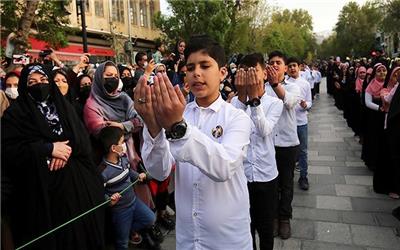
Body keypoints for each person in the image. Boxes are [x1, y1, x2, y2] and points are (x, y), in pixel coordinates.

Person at [135, 35, 253, 249]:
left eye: (205, 65)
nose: (197, 73)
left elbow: (223, 166)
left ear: (223, 72)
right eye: (190, 68)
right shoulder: (181, 114)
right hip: (189, 238)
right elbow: (160, 171)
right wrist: (153, 126)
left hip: (228, 239)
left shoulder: (238, 118)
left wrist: (178, 128)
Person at [1, 63, 105, 249]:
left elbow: (81, 138)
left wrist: (65, 150)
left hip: (78, 190)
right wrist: (47, 148)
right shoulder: (15, 115)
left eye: (42, 80)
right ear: (24, 86)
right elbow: (9, 150)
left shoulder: (65, 107)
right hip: (42, 196)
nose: (38, 85)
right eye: (31, 82)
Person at [231, 53, 283, 250]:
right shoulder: (235, 103)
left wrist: (254, 100)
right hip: (242, 175)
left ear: (264, 73)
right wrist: (242, 98)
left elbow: (264, 130)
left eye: (254, 71)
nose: (250, 75)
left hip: (266, 175)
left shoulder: (274, 103)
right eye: (245, 71)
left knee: (266, 226)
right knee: (246, 225)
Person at [98, 126, 160, 250]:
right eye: (122, 142)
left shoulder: (123, 159)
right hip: (120, 210)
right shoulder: (103, 172)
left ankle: (129, 229)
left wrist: (138, 176)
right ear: (113, 148)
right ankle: (123, 235)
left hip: (134, 201)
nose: (125, 144)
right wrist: (108, 200)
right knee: (122, 242)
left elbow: (129, 172)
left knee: (150, 219)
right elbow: (99, 193)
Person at [265, 51, 301, 240]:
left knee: (286, 184)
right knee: (272, 184)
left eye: (278, 62)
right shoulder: (262, 88)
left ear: (286, 68)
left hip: (287, 143)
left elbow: (288, 102)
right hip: (268, 143)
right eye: (271, 62)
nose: (274, 65)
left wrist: (275, 84)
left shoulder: (294, 86)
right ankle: (272, 218)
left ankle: (285, 218)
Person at [287, 57, 312, 191]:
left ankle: (303, 176)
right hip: (288, 123)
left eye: (294, 65)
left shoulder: (305, 84)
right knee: (289, 151)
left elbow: (309, 102)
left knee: (303, 151)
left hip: (301, 122)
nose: (292, 68)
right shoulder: (284, 83)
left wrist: (305, 105)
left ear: (299, 67)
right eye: (289, 66)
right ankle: (287, 176)